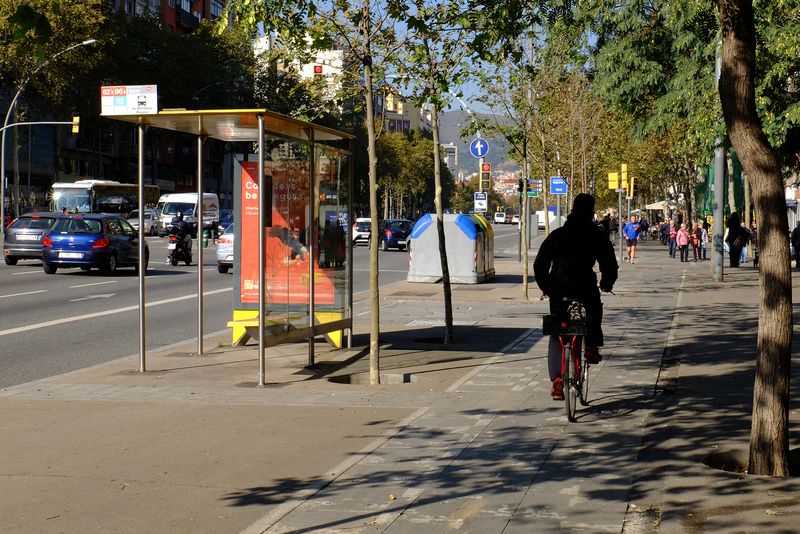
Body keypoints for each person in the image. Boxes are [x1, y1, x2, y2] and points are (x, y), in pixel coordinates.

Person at [534, 193, 618, 400]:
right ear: (591, 211)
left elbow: (539, 264)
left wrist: (546, 287)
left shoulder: (558, 234)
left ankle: (556, 381)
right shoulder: (596, 234)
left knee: (557, 332)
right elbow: (609, 263)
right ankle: (590, 346)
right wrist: (606, 283)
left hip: (559, 287)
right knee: (593, 311)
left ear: (572, 209)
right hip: (584, 284)